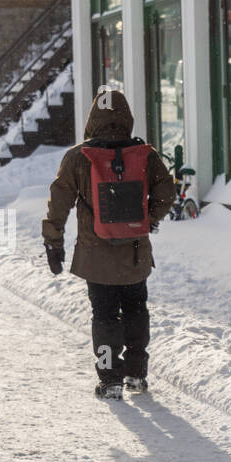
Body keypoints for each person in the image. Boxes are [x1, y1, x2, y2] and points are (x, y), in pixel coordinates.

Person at [42, 88, 175, 399]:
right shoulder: (145, 155)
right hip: (134, 253)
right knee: (136, 311)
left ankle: (110, 379)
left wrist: (54, 244)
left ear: (92, 119)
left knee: (104, 316)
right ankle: (137, 376)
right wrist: (149, 218)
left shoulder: (78, 158)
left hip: (95, 255)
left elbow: (58, 204)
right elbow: (166, 190)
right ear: (127, 118)